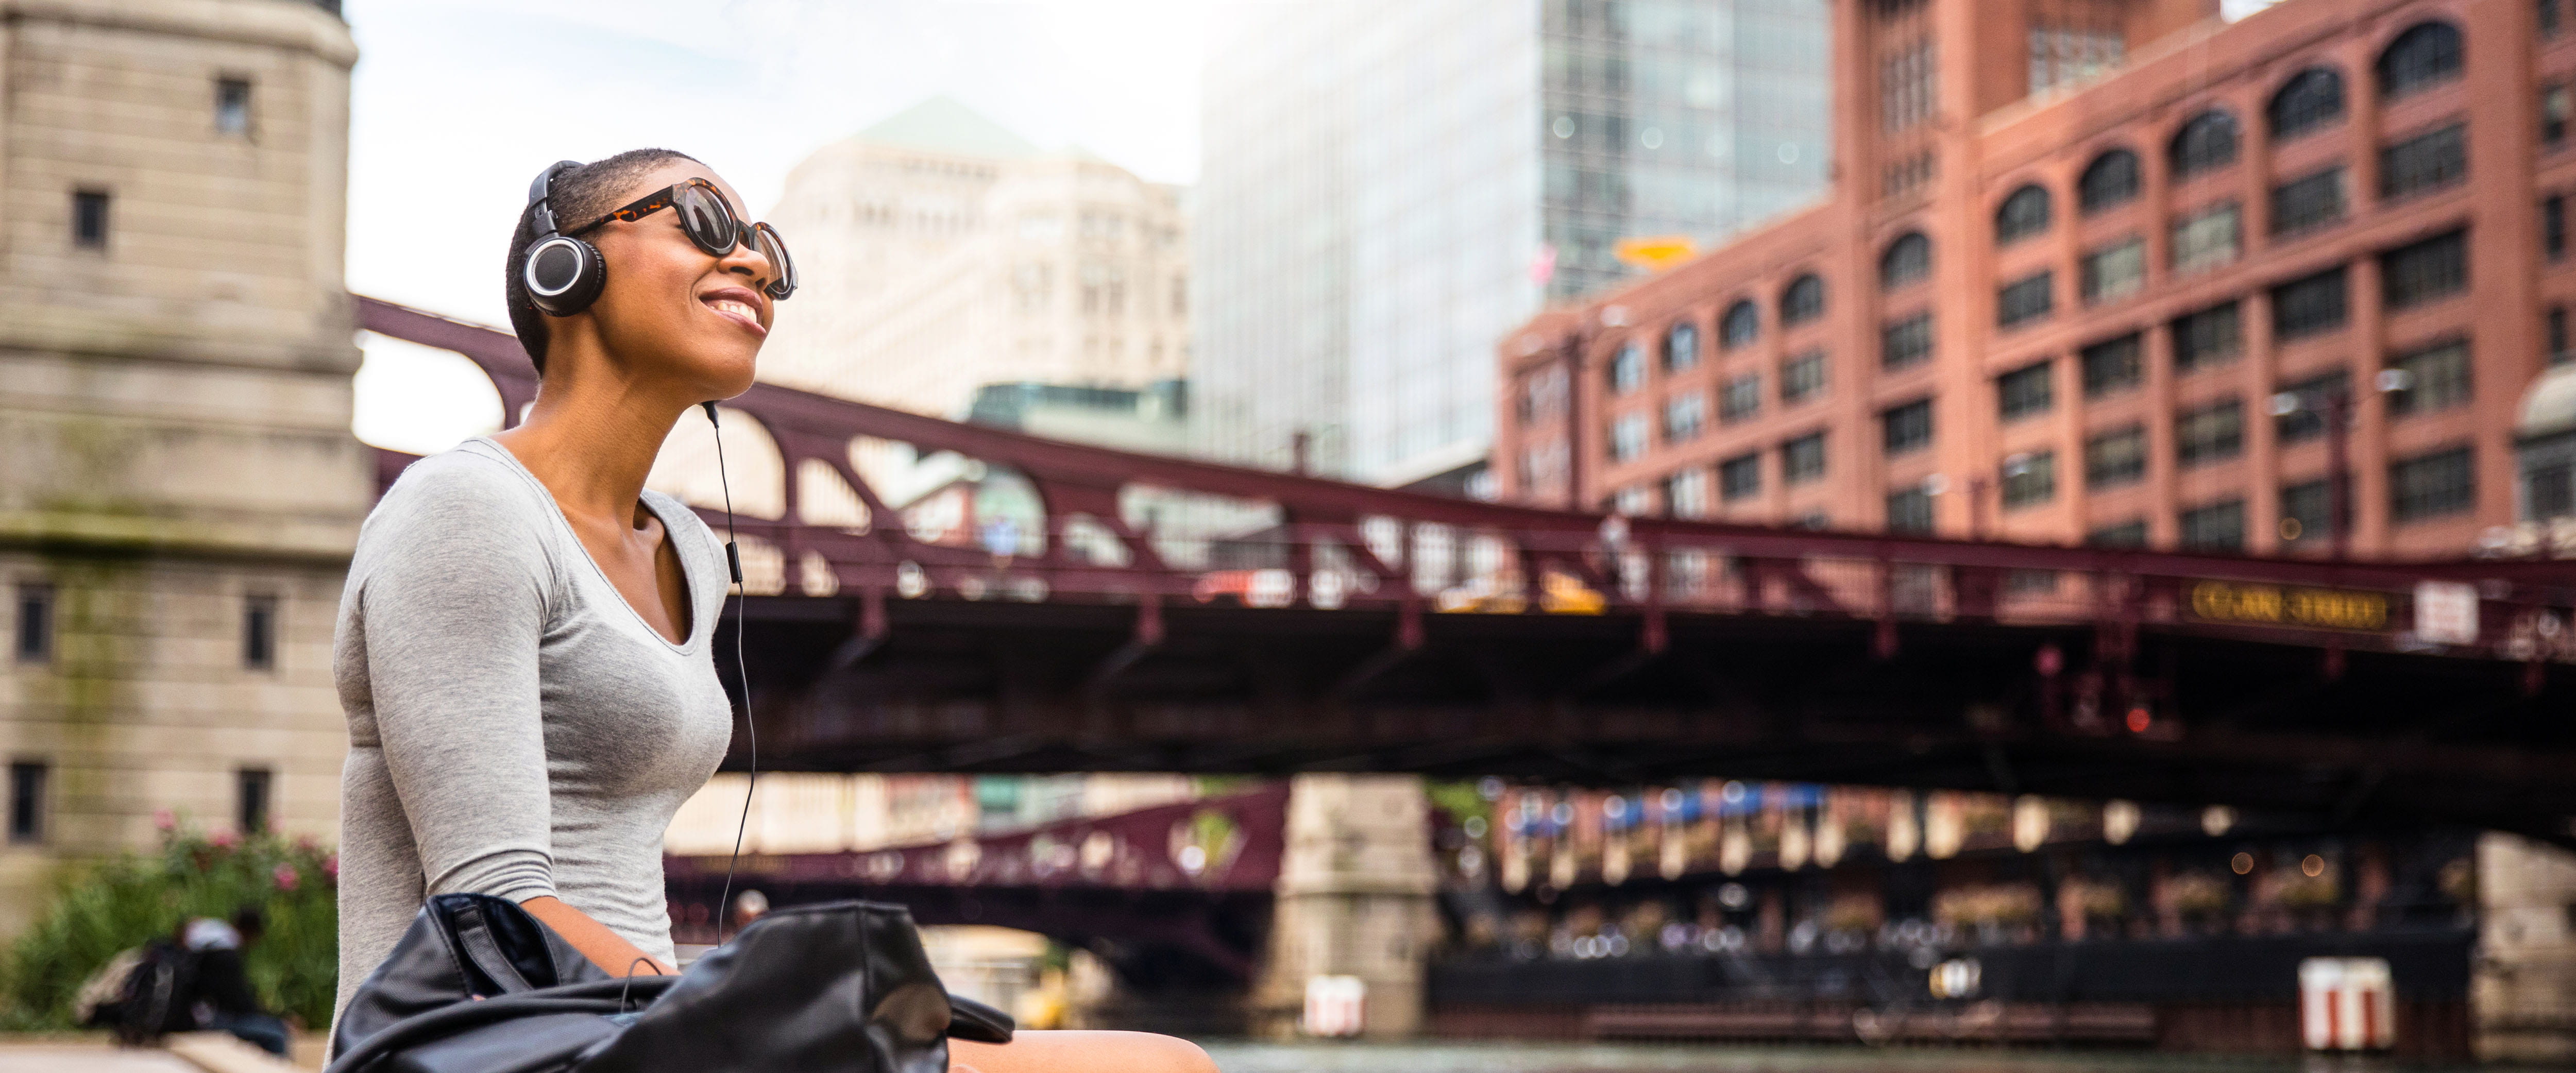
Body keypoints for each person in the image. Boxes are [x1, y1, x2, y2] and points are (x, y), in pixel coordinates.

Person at [331, 148, 1212, 1073]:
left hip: (631, 1032)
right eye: (704, 222)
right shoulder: (467, 508)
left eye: (766, 250)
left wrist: (733, 1002)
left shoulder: (691, 550)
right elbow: (495, 903)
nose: (754, 264)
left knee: (1156, 1056)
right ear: (567, 267)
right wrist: (743, 1012)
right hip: (482, 1048)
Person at [185, 907, 291, 1056]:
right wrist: (270, 1016)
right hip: (211, 1021)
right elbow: (237, 1001)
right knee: (277, 1035)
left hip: (200, 1015)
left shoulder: (207, 944)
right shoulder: (225, 956)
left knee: (274, 1026)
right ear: (251, 931)